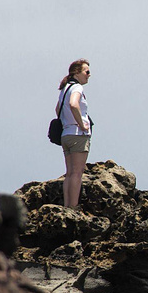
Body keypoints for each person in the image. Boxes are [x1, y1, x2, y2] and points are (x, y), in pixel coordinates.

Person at [56, 59, 92, 209]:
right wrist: (82, 124)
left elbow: (58, 109)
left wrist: (67, 123)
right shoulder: (77, 87)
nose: (89, 75)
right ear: (76, 72)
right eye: (87, 72)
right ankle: (73, 207)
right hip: (77, 135)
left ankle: (67, 207)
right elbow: (73, 104)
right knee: (77, 173)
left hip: (66, 134)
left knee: (69, 173)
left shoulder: (65, 88)